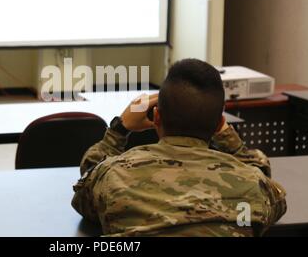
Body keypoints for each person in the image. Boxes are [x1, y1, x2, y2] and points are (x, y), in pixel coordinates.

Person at [71, 58, 286, 237]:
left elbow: (88, 180)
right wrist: (229, 137)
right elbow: (264, 179)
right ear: (219, 123)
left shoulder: (113, 175)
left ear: (156, 116)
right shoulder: (251, 185)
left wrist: (119, 129)